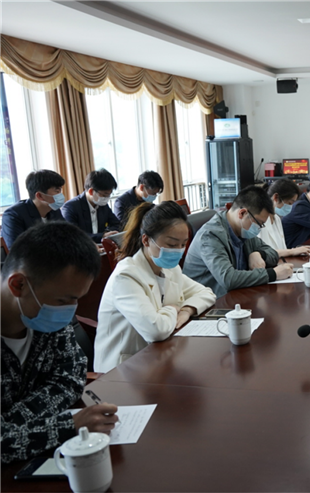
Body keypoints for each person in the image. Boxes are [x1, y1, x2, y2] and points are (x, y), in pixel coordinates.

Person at [1, 222, 118, 464]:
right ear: (18, 285)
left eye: (76, 300)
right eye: (64, 300)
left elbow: (71, 378)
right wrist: (66, 426)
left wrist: (10, 426)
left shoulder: (44, 315)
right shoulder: (42, 311)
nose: (70, 310)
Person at [94, 202, 215, 372]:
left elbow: (206, 293)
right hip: (123, 370)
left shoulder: (170, 268)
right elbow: (155, 330)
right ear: (146, 240)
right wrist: (172, 309)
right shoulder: (126, 276)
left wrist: (186, 310)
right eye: (172, 245)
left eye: (183, 245)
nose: (178, 251)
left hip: (159, 358)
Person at [182, 185, 293, 297]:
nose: (259, 228)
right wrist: (273, 274)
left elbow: (272, 253)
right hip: (209, 301)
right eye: (259, 223)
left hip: (237, 295)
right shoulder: (210, 236)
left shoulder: (242, 230)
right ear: (242, 213)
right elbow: (228, 279)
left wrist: (258, 254)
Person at [1, 170, 66, 249]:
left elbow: (66, 238)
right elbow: (18, 250)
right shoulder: (13, 215)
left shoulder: (54, 210)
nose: (61, 195)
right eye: (57, 191)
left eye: (60, 190)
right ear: (40, 196)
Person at [258, 179, 310, 258]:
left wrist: (294, 251)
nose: (290, 207)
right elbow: (262, 253)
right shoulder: (258, 221)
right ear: (276, 197)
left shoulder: (277, 219)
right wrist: (291, 251)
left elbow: (282, 249)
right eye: (289, 203)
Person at [62, 168, 120, 243]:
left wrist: (108, 232)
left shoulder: (103, 205)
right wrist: (101, 236)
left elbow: (116, 224)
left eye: (109, 194)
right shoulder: (71, 207)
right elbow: (73, 234)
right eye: (104, 194)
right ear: (91, 191)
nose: (107, 198)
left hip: (102, 246)